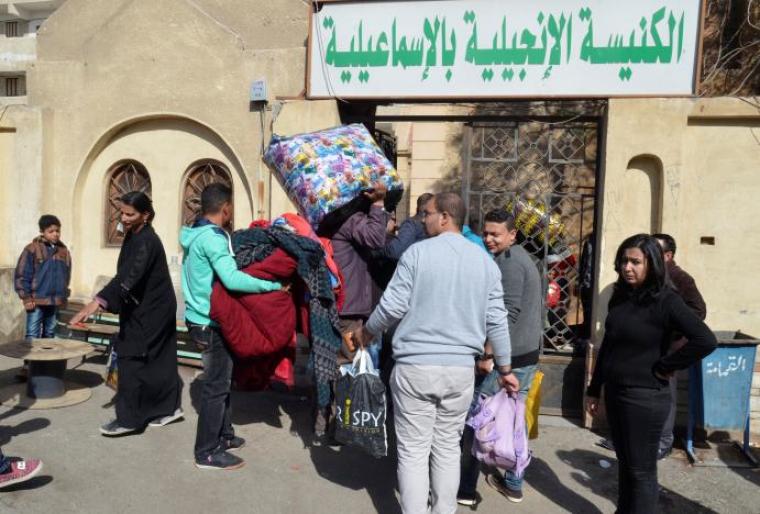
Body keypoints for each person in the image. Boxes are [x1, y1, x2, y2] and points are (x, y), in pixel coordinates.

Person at [353, 192, 519, 514]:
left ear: (445, 217)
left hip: (416, 367)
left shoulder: (417, 254)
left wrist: (366, 332)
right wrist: (506, 367)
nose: (423, 219)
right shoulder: (484, 261)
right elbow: (497, 319)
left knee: (414, 452)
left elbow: (392, 305)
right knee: (446, 448)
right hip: (459, 372)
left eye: (427, 213)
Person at [586, 234, 716, 514]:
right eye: (624, 261)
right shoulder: (621, 298)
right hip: (618, 393)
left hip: (645, 398)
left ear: (652, 264)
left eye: (635, 262)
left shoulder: (667, 300)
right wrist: (595, 388)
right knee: (626, 465)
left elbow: (705, 340)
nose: (627, 267)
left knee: (642, 472)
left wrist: (666, 365)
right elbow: (608, 345)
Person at [180, 183, 282, 470]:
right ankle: (207, 452)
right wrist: (272, 286)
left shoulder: (195, 233)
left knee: (221, 382)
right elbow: (233, 279)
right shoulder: (212, 239)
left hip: (197, 317)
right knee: (216, 387)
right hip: (210, 322)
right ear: (226, 208)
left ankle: (224, 435)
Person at [71, 192, 184, 437]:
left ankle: (130, 419)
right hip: (148, 306)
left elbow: (129, 278)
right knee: (158, 360)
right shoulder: (134, 235)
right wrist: (101, 300)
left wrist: (98, 302)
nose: (124, 218)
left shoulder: (147, 241)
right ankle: (169, 407)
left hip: (153, 311)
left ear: (146, 215)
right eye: (122, 212)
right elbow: (125, 275)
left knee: (131, 357)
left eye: (130, 214)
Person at [458, 209, 543, 506]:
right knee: (512, 420)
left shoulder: (510, 264)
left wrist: (488, 354)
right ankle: (512, 482)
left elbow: (505, 315)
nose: (489, 239)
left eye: (496, 234)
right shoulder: (518, 258)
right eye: (486, 233)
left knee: (478, 422)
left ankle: (465, 488)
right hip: (524, 354)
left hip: (508, 359)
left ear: (512, 235)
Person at [322, 181, 389, 434]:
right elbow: (375, 238)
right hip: (348, 311)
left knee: (338, 363)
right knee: (346, 366)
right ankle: (341, 426)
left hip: (344, 305)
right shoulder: (349, 220)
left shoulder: (333, 219)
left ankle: (331, 422)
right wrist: (378, 204)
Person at [652, 233, 707, 459]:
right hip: (649, 346)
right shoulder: (650, 275)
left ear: (668, 255)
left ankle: (664, 442)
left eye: (654, 251)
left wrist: (675, 328)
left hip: (669, 348)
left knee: (666, 394)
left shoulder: (680, 278)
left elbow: (698, 310)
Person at [15, 214, 71, 339]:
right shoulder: (32, 249)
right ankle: (32, 359)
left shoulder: (64, 251)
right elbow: (22, 275)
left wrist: (63, 297)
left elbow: (66, 276)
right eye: (51, 231)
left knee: (50, 334)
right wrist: (26, 298)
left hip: (54, 302)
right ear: (42, 232)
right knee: (32, 334)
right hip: (36, 301)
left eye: (57, 231)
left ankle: (47, 359)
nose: (55, 234)